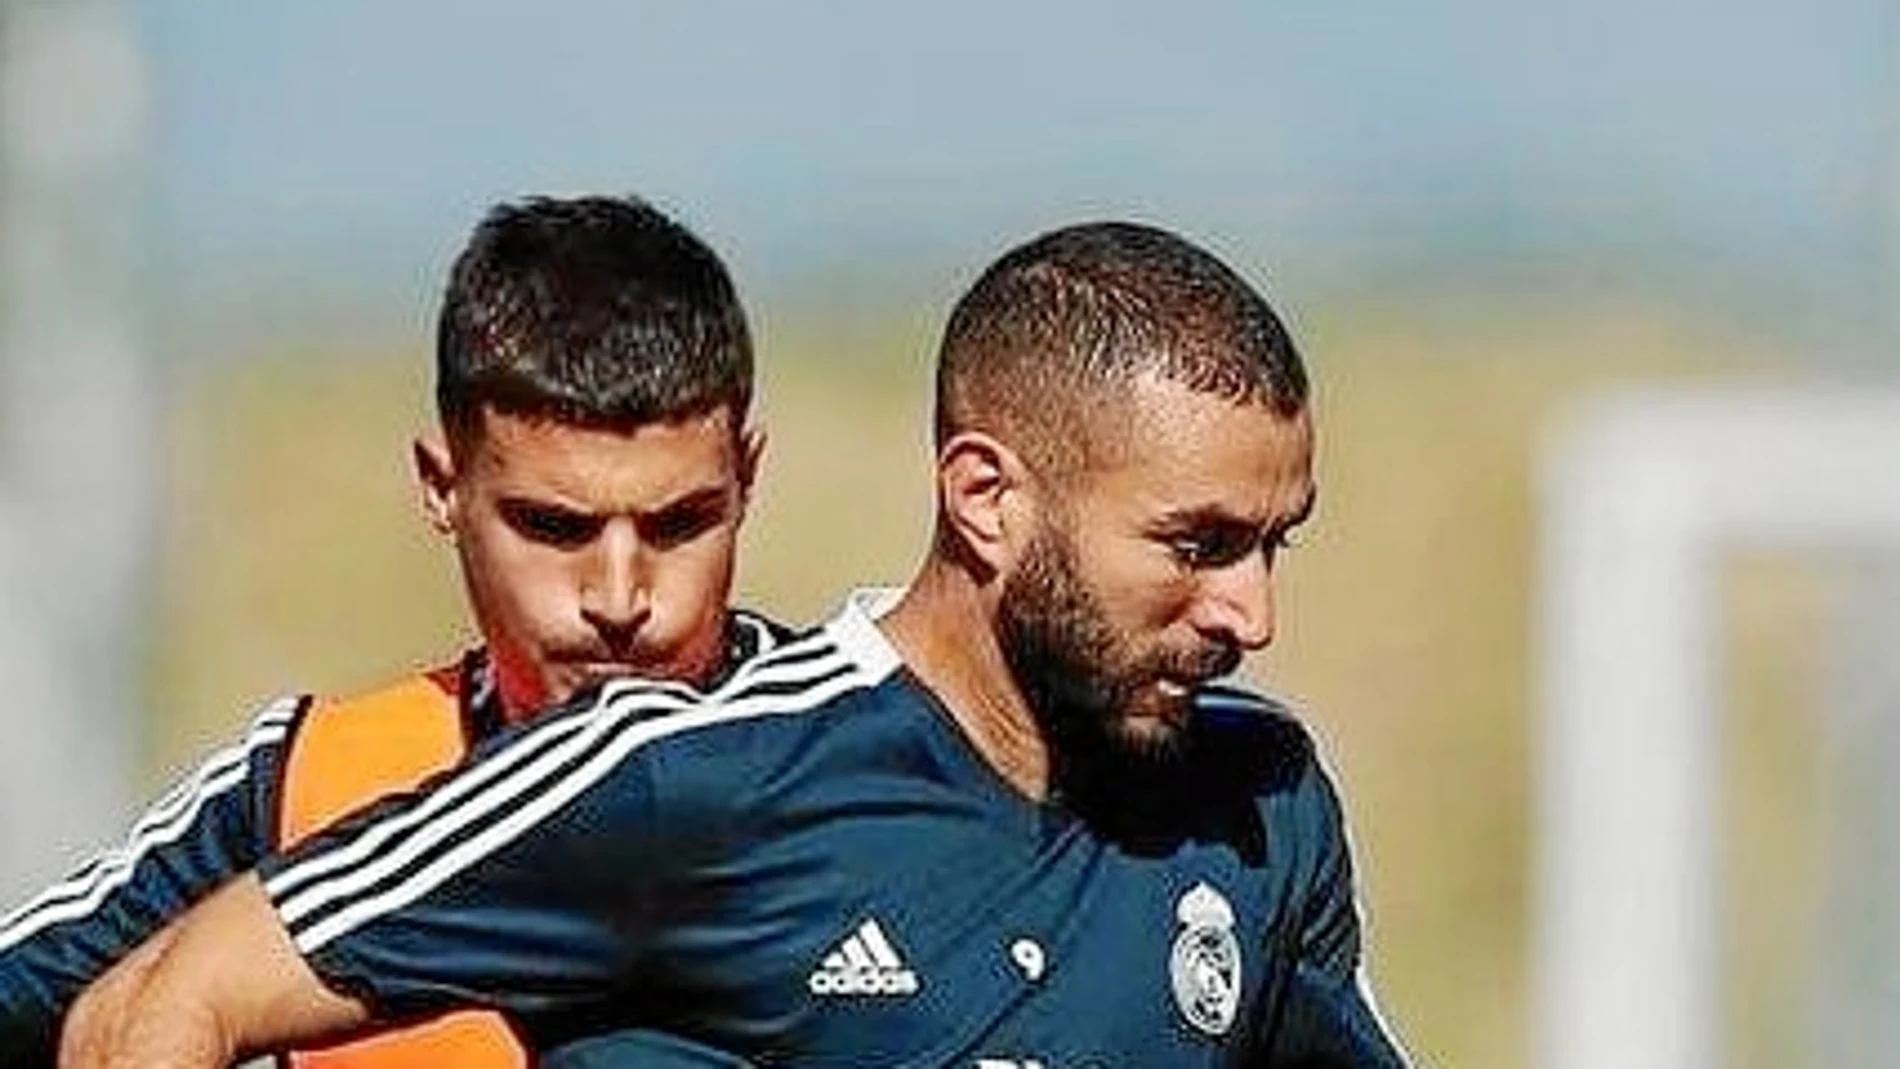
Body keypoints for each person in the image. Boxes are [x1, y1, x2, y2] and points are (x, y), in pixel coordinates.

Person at [62, 220, 1410, 1068]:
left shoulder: (1264, 807)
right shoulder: (682, 777)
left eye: (1271, 543)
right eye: (1197, 545)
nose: (1252, 615)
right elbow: (152, 1012)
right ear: (986, 497)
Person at [0, 194, 783, 1068]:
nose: (619, 595)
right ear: (442, 486)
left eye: (679, 524)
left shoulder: (874, 762)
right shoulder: (312, 785)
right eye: (554, 527)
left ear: (745, 478)